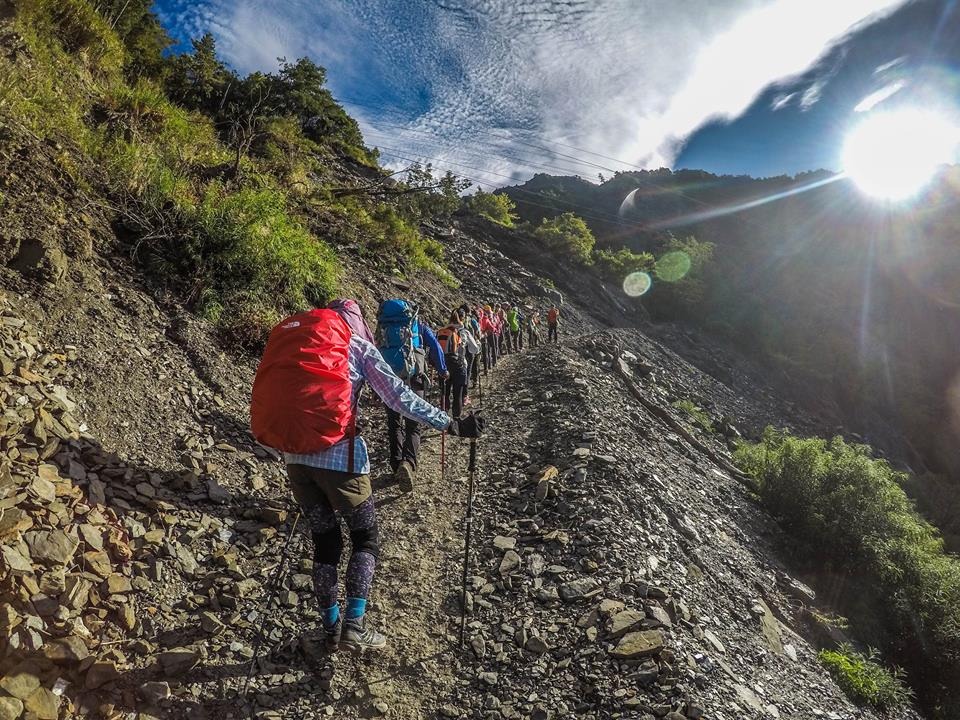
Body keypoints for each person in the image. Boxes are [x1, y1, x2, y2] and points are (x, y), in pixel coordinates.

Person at [251, 301, 485, 654]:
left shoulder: (300, 345)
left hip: (295, 459)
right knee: (365, 538)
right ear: (359, 324)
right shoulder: (357, 347)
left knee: (325, 543)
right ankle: (354, 626)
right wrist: (451, 424)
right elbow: (398, 397)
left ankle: (330, 629)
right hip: (341, 460)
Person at [375, 299, 448, 491]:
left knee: (394, 424)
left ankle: (396, 463)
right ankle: (409, 463)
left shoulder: (383, 325)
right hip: (414, 377)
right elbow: (435, 346)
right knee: (414, 425)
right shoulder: (418, 326)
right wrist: (442, 369)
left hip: (389, 379)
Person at [437, 309, 480, 419]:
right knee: (457, 393)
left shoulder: (441, 331)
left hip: (443, 364)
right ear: (462, 319)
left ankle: (444, 417)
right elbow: (475, 349)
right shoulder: (464, 331)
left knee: (445, 392)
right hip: (459, 364)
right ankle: (456, 418)